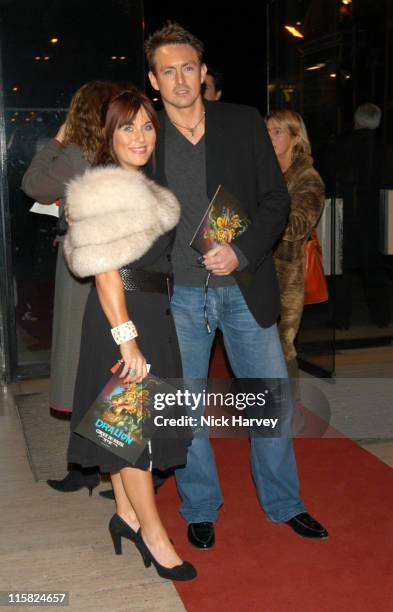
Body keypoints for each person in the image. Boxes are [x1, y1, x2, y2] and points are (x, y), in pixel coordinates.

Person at [144, 21, 328, 549]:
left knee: (269, 402)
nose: (180, 80)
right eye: (168, 71)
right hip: (178, 293)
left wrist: (241, 249)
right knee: (187, 406)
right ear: (154, 81)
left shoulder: (243, 122)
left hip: (245, 286)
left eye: (188, 69)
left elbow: (276, 200)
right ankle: (200, 505)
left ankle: (284, 503)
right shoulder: (146, 133)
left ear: (202, 73)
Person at [64, 89, 196, 581]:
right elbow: (105, 272)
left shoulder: (141, 185)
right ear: (108, 135)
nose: (139, 136)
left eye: (146, 126)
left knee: (122, 428)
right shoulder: (104, 189)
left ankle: (126, 513)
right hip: (123, 319)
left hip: (148, 314)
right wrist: (127, 338)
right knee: (135, 432)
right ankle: (155, 536)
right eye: (127, 127)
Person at [22, 81, 124, 494]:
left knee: (86, 361)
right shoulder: (115, 153)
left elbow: (33, 183)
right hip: (121, 262)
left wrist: (59, 137)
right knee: (113, 360)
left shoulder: (78, 155)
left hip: (84, 268)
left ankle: (91, 466)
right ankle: (110, 466)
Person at [321, 103, 392, 328]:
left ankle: (341, 320)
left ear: (356, 120)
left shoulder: (339, 145)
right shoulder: (385, 149)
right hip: (376, 219)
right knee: (376, 270)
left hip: (344, 216)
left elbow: (327, 178)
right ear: (378, 122)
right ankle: (382, 318)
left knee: (343, 271)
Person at [266, 110, 325, 372]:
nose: (269, 136)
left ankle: (290, 410)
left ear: (296, 138)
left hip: (288, 277)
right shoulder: (266, 173)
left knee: (282, 345)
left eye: (277, 131)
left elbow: (298, 225)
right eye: (266, 130)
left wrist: (261, 217)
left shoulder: (308, 178)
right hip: (259, 272)